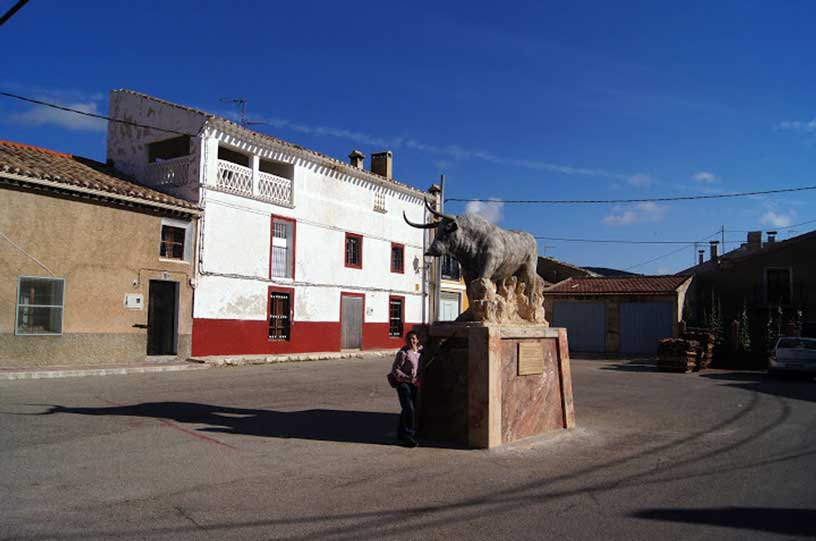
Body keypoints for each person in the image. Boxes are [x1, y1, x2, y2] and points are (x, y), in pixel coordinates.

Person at [390, 330, 422, 447]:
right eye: (409, 339)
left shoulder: (420, 352)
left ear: (417, 340)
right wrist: (407, 378)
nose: (411, 341)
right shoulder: (403, 353)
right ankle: (409, 435)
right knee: (409, 409)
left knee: (407, 409)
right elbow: (395, 370)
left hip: (414, 384)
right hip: (403, 384)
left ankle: (400, 432)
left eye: (414, 338)